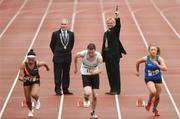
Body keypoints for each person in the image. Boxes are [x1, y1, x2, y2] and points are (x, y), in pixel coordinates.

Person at [136, 44, 167, 116]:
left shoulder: (159, 59)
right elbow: (137, 62)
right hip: (149, 78)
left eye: (154, 50)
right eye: (151, 50)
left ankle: (154, 109)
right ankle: (149, 103)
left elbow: (165, 69)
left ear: (157, 51)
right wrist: (137, 71)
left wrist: (158, 65)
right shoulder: (146, 58)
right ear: (149, 51)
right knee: (153, 91)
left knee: (157, 97)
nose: (153, 51)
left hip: (158, 79)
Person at [101, 6, 126, 95]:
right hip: (107, 56)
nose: (110, 24)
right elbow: (104, 45)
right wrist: (102, 56)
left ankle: (117, 89)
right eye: (108, 23)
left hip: (114, 56)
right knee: (109, 73)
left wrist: (117, 17)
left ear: (114, 23)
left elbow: (118, 26)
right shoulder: (106, 33)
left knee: (115, 72)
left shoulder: (115, 31)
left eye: (111, 23)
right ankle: (112, 88)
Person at [74, 43, 102, 119]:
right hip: (85, 74)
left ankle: (93, 112)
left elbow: (100, 70)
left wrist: (94, 72)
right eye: (89, 52)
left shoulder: (99, 57)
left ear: (95, 51)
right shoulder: (83, 54)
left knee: (95, 96)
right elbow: (75, 56)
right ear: (87, 51)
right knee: (88, 92)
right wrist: (76, 68)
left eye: (92, 52)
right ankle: (86, 99)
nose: (91, 54)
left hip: (95, 75)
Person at [18, 49, 49, 117]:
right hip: (26, 82)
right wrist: (23, 79)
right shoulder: (23, 65)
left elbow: (45, 64)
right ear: (27, 58)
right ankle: (30, 111)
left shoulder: (37, 64)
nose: (31, 61)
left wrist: (47, 68)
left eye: (32, 59)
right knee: (28, 99)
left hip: (36, 81)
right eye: (29, 59)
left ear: (34, 58)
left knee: (34, 94)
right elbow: (20, 77)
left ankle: (37, 100)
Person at [50, 18, 74, 95]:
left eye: (65, 24)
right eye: (62, 24)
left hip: (67, 57)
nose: (63, 26)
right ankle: (58, 89)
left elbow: (71, 45)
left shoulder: (71, 34)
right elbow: (52, 45)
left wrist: (66, 51)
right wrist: (56, 53)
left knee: (66, 74)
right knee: (58, 74)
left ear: (67, 25)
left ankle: (65, 88)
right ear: (60, 25)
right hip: (58, 57)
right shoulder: (55, 34)